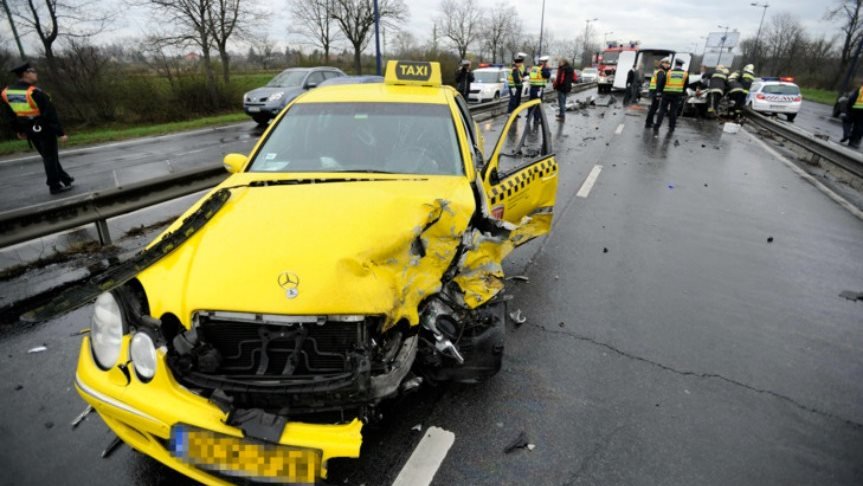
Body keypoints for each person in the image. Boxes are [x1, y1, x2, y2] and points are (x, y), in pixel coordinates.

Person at [1, 62, 73, 195]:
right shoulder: (34, 92)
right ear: (25, 74)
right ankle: (54, 185)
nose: (36, 73)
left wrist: (18, 130)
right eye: (33, 71)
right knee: (50, 157)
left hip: (29, 130)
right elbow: (50, 114)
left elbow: (10, 114)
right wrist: (60, 133)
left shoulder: (8, 92)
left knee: (48, 156)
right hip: (44, 128)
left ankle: (65, 178)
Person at [653, 58, 688, 135]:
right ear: (681, 65)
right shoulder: (685, 74)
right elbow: (685, 86)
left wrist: (659, 93)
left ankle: (657, 126)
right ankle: (671, 127)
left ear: (675, 64)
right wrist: (682, 94)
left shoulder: (668, 73)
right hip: (677, 95)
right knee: (673, 111)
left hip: (667, 94)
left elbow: (662, 83)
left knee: (662, 110)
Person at [645, 58, 670, 129]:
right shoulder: (661, 72)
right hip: (656, 92)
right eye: (666, 63)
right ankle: (648, 123)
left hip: (654, 91)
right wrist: (658, 93)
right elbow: (659, 83)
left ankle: (649, 122)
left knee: (653, 108)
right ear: (662, 63)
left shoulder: (659, 71)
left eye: (668, 64)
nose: (667, 65)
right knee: (654, 108)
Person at [527, 55, 551, 124]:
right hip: (539, 89)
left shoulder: (534, 67)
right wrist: (546, 68)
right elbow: (547, 75)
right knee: (538, 104)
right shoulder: (542, 68)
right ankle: (536, 119)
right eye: (546, 62)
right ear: (544, 62)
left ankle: (528, 117)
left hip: (532, 88)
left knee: (531, 103)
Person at [847, 83, 863, 148]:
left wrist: (849, 109)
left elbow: (851, 98)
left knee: (855, 125)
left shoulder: (860, 89)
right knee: (860, 126)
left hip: (856, 109)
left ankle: (851, 140)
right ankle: (856, 141)